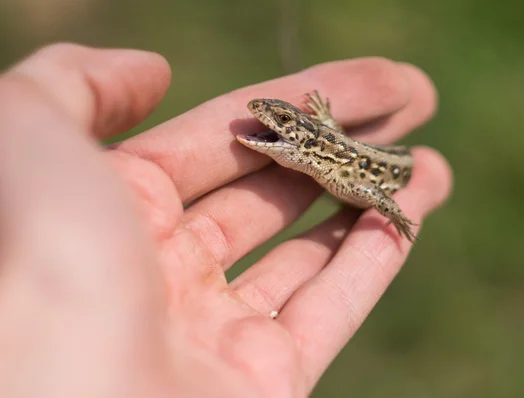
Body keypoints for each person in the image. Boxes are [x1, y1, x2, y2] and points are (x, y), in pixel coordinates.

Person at [0, 43, 452, 397]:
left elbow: (373, 192)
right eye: (275, 115)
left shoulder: (345, 172)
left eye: (277, 118)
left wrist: (396, 214)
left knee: (374, 199)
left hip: (392, 167)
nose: (262, 116)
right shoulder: (320, 154)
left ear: (305, 141)